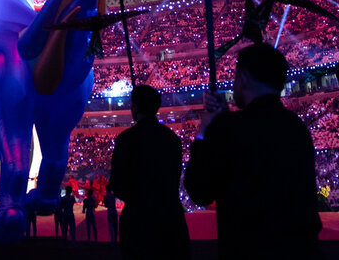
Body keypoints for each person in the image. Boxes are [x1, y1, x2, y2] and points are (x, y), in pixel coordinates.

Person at [184, 43, 322, 260]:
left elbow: (199, 190)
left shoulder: (229, 129)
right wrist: (225, 117)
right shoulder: (296, 127)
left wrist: (204, 131)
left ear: (244, 77)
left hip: (249, 248)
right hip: (300, 249)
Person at [108, 85, 189, 259]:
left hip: (138, 224)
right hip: (171, 221)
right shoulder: (172, 139)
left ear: (135, 107)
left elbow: (117, 184)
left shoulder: (126, 139)